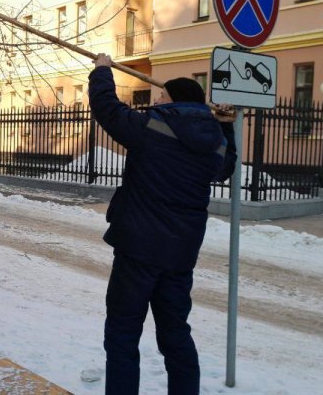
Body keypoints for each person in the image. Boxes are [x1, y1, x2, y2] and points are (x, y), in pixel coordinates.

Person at [89, 53, 237, 395]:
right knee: (175, 334)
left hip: (138, 251)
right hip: (180, 256)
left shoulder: (153, 128)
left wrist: (101, 71)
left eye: (163, 96)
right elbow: (226, 166)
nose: (157, 99)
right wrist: (226, 123)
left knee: (123, 334)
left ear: (175, 102)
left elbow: (108, 110)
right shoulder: (214, 142)